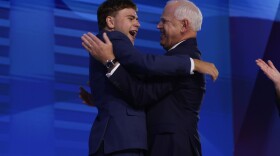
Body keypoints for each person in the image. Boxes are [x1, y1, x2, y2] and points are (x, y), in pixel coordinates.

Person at [83, 0, 213, 155]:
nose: (158, 26)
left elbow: (141, 93)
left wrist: (191, 64)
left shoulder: (184, 58)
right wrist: (109, 95)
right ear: (110, 21)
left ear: (184, 26)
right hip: (143, 143)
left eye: (164, 21)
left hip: (172, 146)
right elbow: (143, 88)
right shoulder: (175, 59)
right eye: (131, 18)